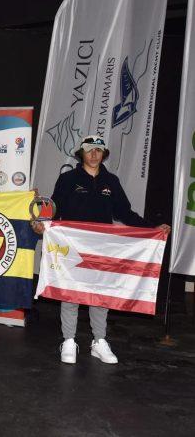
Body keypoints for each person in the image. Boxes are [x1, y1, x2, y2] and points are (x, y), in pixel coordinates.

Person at [33, 135, 171, 365]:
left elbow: (125, 213)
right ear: (82, 153)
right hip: (72, 246)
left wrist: (152, 228)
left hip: (101, 248)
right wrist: (42, 222)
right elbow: (54, 209)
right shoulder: (68, 179)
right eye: (89, 150)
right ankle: (69, 340)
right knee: (70, 293)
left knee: (100, 294)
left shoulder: (111, 181)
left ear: (104, 154)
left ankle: (99, 341)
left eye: (98, 150)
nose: (94, 154)